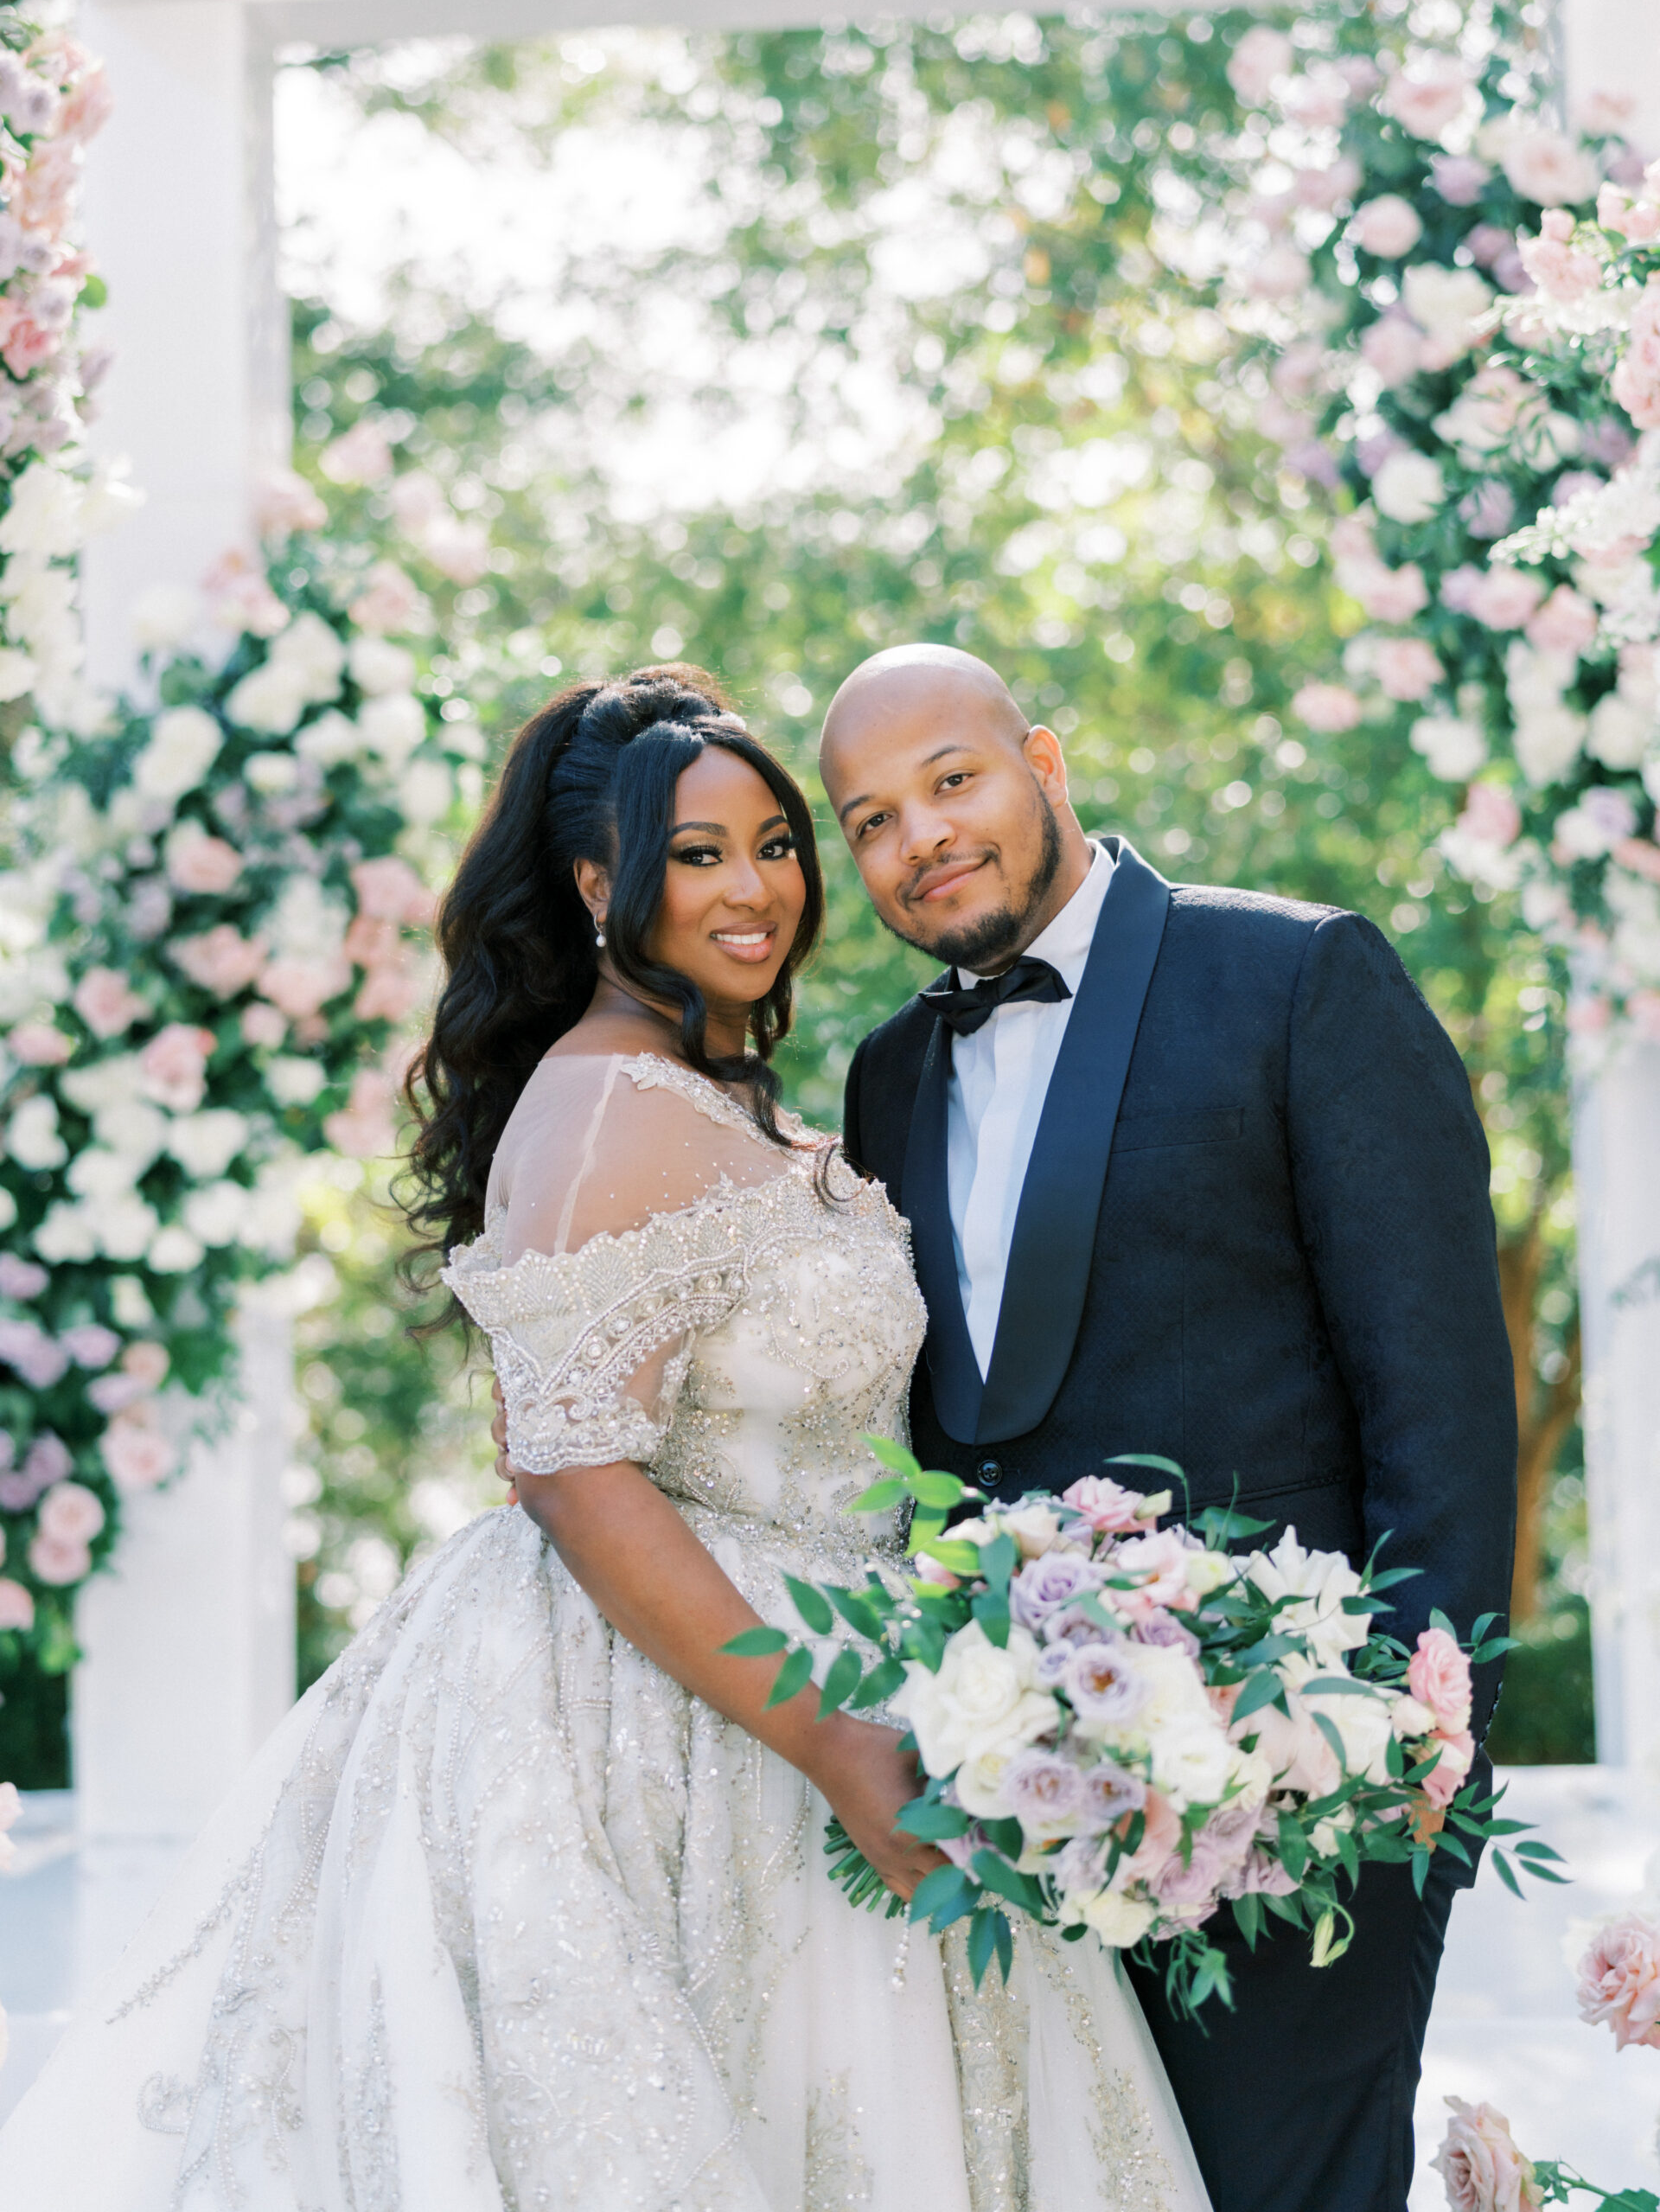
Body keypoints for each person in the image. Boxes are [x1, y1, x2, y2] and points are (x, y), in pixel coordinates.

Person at [0, 664, 1210, 2212]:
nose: (755, 887)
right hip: (686, 1720)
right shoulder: (606, 1109)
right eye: (696, 856)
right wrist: (833, 1741)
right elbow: (570, 1475)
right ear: (599, 885)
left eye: (776, 842)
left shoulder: (712, 1094)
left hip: (836, 1647)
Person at [816, 643, 1518, 2212]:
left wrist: (1416, 1775)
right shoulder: (883, 1081)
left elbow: (1445, 1409)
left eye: (952, 782)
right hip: (1024, 1819)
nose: (918, 837)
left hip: (1304, 1798)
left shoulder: (1298, 978)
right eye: (868, 819)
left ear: (1045, 764)